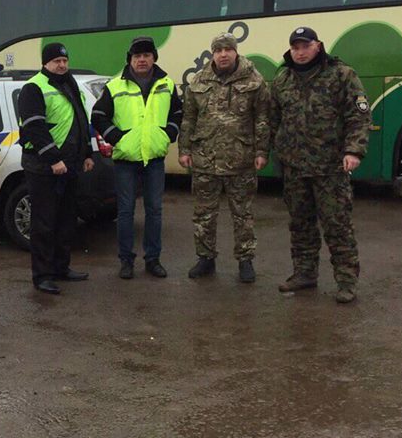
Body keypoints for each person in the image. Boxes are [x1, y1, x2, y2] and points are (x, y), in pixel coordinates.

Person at [270, 26, 371, 303]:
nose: (300, 52)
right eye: (295, 47)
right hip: (294, 168)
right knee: (300, 225)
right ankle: (304, 273)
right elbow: (273, 118)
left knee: (337, 226)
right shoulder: (282, 79)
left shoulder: (341, 75)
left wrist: (353, 151)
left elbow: (359, 116)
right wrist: (276, 150)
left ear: (318, 45)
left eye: (306, 46)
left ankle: (346, 281)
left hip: (330, 168)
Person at [179, 32, 270, 283]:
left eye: (227, 49)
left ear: (235, 51)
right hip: (205, 158)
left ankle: (245, 261)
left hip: (241, 159)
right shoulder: (198, 80)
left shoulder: (254, 80)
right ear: (212, 54)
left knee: (243, 215)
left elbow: (262, 119)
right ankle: (205, 259)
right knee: (204, 214)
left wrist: (262, 151)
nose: (223, 54)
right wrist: (184, 150)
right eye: (218, 50)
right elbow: (188, 119)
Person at [91, 36, 182, 280]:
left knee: (155, 211)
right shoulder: (115, 86)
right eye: (137, 56)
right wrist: (116, 138)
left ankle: (153, 259)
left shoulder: (167, 84)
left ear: (154, 58)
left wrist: (169, 134)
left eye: (146, 55)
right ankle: (126, 261)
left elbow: (178, 112)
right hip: (126, 160)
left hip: (154, 158)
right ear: (130, 60)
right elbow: (98, 115)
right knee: (125, 212)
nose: (142, 60)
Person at [17, 42, 95, 295]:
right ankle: (42, 275)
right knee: (44, 223)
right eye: (56, 61)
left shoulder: (70, 84)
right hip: (43, 167)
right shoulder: (34, 87)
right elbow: (34, 127)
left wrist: (87, 153)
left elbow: (81, 120)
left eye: (64, 61)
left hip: (69, 165)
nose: (61, 65)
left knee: (66, 220)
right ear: (45, 63)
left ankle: (61, 267)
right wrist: (53, 159)